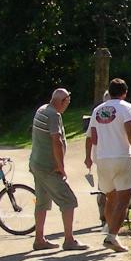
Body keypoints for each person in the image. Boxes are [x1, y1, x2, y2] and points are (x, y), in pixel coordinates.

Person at [84, 78, 131, 253]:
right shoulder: (126, 107)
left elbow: (90, 136)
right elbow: (130, 131)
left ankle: (112, 234)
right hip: (120, 156)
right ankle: (111, 236)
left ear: (110, 92)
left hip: (102, 159)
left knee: (110, 197)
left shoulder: (97, 110)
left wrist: (88, 157)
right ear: (124, 92)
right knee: (123, 199)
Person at [29, 88, 85, 251]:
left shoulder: (42, 109)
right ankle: (69, 240)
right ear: (63, 101)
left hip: (36, 164)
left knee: (42, 202)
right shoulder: (54, 115)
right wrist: (61, 167)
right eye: (68, 102)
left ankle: (39, 240)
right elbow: (57, 141)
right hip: (48, 168)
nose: (68, 105)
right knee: (68, 201)